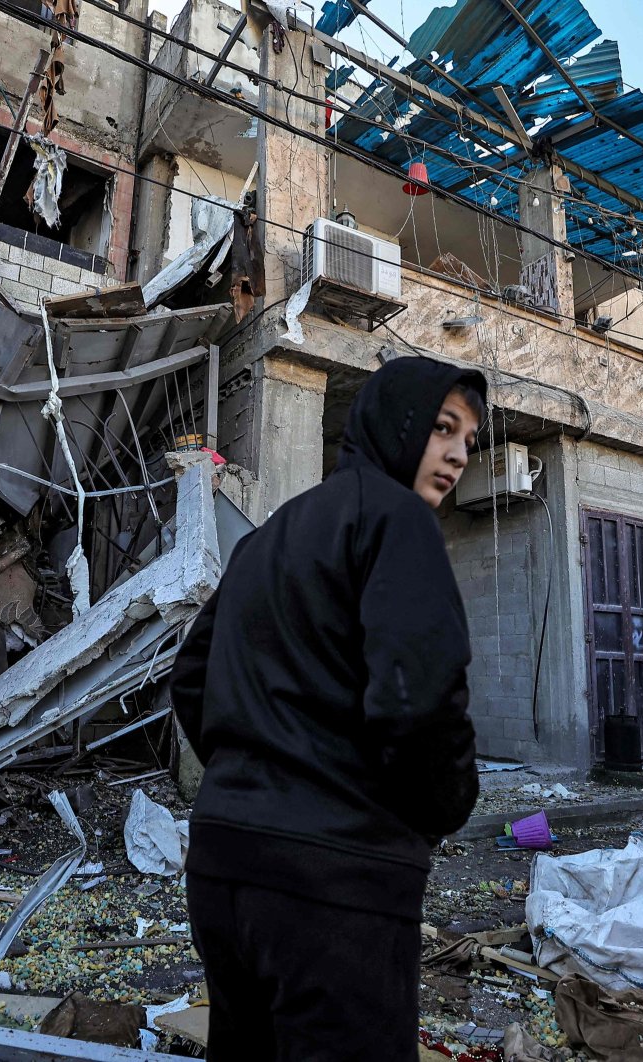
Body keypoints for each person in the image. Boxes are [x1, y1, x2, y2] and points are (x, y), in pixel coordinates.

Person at [170, 356, 487, 1062]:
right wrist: (441, 808)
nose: (460, 453)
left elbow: (191, 673)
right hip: (334, 886)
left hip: (224, 865)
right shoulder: (397, 518)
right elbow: (418, 698)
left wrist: (245, 776)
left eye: (470, 439)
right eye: (442, 428)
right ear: (394, 423)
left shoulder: (270, 535)